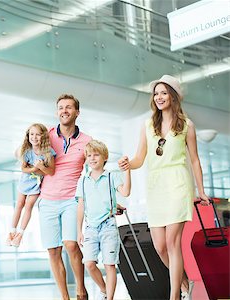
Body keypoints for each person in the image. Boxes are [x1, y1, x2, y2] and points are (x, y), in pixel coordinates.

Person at [118, 75, 210, 300]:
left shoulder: (187, 125)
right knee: (159, 246)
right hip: (156, 185)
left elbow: (195, 160)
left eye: (163, 93)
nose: (159, 97)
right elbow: (140, 158)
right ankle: (186, 284)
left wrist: (201, 190)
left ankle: (174, 295)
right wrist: (129, 163)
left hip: (178, 183)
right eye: (156, 93)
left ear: (173, 96)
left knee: (172, 242)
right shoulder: (148, 125)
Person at [38, 94, 92, 300]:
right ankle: (64, 297)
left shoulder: (87, 141)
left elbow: (94, 170)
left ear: (77, 112)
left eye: (69, 107)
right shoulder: (47, 135)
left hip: (72, 199)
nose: (64, 111)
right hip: (48, 200)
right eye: (61, 107)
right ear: (56, 112)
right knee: (53, 250)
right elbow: (23, 150)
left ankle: (80, 289)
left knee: (71, 244)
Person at [77, 140, 131, 300]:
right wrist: (79, 231)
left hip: (108, 226)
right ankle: (104, 290)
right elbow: (81, 206)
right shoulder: (83, 180)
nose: (92, 158)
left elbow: (126, 192)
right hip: (90, 228)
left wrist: (127, 171)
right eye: (89, 155)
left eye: (96, 155)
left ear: (104, 157)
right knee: (89, 263)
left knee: (109, 265)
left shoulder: (111, 176)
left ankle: (110, 298)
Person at [7, 123, 56, 247]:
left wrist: (40, 168)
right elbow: (24, 169)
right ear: (28, 136)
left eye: (38, 134)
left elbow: (50, 172)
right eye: (32, 134)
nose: (34, 137)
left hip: (36, 185)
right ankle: (11, 232)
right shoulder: (27, 151)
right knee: (19, 204)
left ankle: (20, 234)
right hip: (24, 182)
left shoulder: (48, 152)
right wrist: (37, 168)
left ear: (43, 136)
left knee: (28, 206)